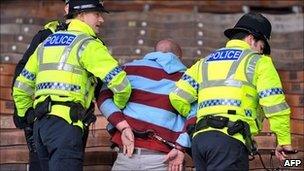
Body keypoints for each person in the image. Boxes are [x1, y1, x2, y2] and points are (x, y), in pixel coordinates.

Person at [12, 0, 132, 170]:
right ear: (81, 15)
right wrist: (118, 107)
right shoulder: (89, 44)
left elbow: (20, 88)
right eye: (97, 14)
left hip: (41, 129)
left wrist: (28, 116)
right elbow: (121, 83)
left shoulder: (45, 43)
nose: (101, 20)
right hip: (66, 127)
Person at [169, 12, 295, 171]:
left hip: (200, 142)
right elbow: (275, 104)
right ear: (250, 39)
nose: (261, 52)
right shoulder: (259, 62)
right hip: (229, 141)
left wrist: (201, 115)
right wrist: (284, 141)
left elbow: (176, 96)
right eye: (261, 47)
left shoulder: (204, 62)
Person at [97, 39, 197, 171]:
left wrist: (123, 126)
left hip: (126, 155)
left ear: (154, 53)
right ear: (178, 57)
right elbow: (196, 114)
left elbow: (103, 97)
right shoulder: (186, 79)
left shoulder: (127, 69)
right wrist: (181, 146)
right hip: (165, 160)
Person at [11, 1, 70, 171]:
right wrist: (27, 119)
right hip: (42, 118)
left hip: (73, 122)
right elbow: (22, 75)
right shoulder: (46, 35)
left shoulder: (91, 40)